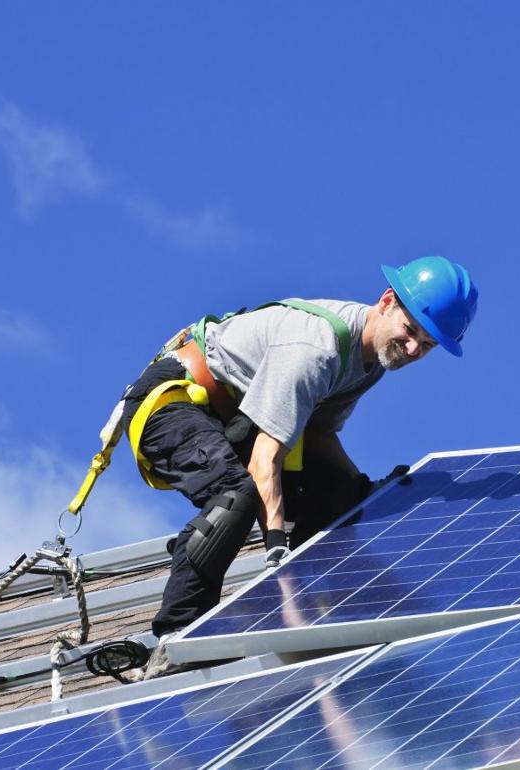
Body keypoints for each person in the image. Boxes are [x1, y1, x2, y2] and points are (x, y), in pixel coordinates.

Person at [119, 256, 478, 677]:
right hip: (171, 402)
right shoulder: (318, 348)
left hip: (232, 420)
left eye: (428, 344)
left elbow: (319, 436)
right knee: (236, 496)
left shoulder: (369, 364)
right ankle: (177, 639)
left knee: (341, 498)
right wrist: (275, 549)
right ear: (386, 302)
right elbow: (264, 459)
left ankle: (328, 609)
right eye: (410, 330)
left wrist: (362, 488)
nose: (414, 348)